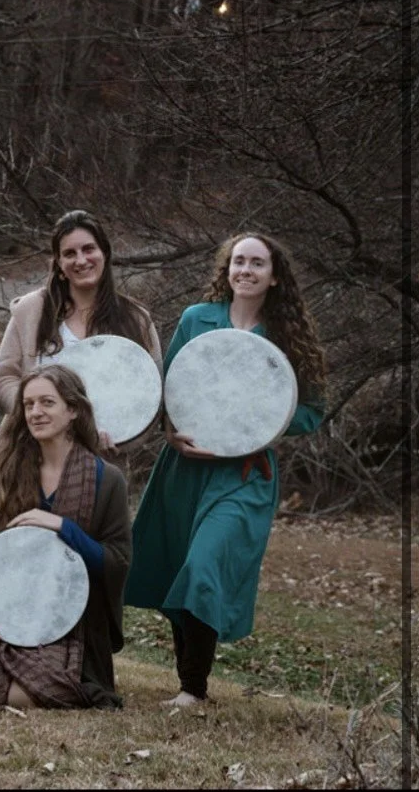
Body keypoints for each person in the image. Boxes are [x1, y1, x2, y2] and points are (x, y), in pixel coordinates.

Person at [124, 233, 326, 706]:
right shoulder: (199, 319)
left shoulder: (286, 335)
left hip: (244, 474)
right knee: (179, 565)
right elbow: (170, 388)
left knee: (205, 563)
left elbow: (312, 409)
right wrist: (170, 430)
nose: (246, 270)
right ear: (226, 269)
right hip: (186, 467)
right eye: (239, 261)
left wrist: (262, 424)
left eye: (258, 263)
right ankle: (189, 684)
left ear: (275, 276)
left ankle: (193, 689)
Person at [0, 364, 132, 709]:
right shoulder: (7, 470)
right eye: (28, 404)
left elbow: (117, 562)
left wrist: (63, 527)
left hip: (69, 622)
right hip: (6, 614)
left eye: (47, 402)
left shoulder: (108, 479)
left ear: (73, 410)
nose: (35, 412)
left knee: (20, 698)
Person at [0, 209, 161, 451]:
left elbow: (152, 394)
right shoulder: (31, 311)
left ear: (104, 253)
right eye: (69, 253)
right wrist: (34, 414)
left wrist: (124, 436)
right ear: (59, 264)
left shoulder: (135, 319)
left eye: (89, 249)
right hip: (31, 454)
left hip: (103, 461)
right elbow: (5, 377)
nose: (81, 260)